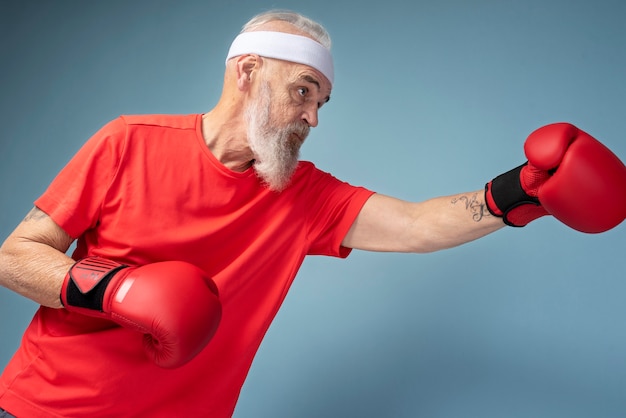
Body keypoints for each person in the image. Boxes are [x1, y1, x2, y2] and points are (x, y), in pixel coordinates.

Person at [0, 9, 624, 418]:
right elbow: (16, 255)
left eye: (321, 100)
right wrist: (116, 289)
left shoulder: (301, 193)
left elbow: (416, 225)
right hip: (45, 408)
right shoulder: (129, 142)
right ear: (247, 72)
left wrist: (522, 191)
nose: (313, 117)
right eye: (303, 90)